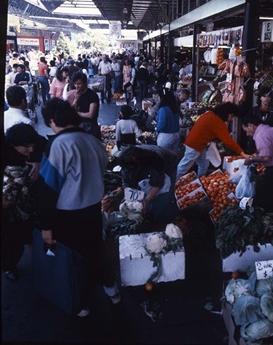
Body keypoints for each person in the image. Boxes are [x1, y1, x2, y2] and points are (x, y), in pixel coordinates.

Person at [35, 99, 121, 316]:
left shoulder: (58, 145)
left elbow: (48, 188)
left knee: (74, 260)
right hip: (93, 210)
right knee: (95, 252)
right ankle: (112, 291)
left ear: (53, 120)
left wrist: (45, 226)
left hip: (67, 216)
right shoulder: (93, 141)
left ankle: (82, 303)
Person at [2, 123, 47, 281]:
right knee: (14, 244)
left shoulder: (33, 143)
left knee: (33, 236)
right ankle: (10, 267)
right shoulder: (6, 153)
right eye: (26, 147)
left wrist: (36, 160)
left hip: (29, 202)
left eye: (31, 146)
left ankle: (39, 264)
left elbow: (41, 142)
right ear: (14, 145)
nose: (31, 150)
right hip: (12, 212)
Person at [176, 103, 251, 180]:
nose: (231, 119)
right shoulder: (217, 121)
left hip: (197, 144)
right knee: (184, 167)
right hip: (195, 145)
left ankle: (201, 181)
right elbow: (228, 141)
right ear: (226, 114)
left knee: (204, 164)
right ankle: (171, 184)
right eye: (231, 116)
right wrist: (242, 153)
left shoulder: (210, 114)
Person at [118, 145, 179, 224]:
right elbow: (127, 181)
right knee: (148, 192)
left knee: (165, 191)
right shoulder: (125, 161)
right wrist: (127, 196)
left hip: (169, 161)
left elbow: (158, 183)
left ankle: (163, 216)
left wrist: (147, 199)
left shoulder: (155, 159)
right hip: (148, 165)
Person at [66, 71, 101, 140]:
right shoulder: (76, 94)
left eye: (79, 84)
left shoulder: (92, 95)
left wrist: (77, 113)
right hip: (79, 126)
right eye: (75, 84)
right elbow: (71, 111)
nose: (77, 86)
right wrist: (75, 99)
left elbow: (91, 115)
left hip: (91, 127)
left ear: (85, 83)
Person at [156, 89, 180, 153]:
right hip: (176, 135)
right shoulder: (175, 108)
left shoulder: (163, 109)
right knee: (173, 157)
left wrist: (156, 128)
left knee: (163, 156)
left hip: (165, 136)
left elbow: (161, 125)